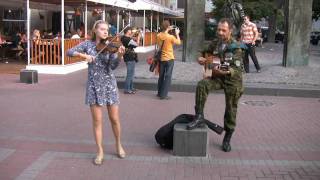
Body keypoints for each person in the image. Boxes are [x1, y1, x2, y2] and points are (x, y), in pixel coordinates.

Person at [66, 20, 126, 165]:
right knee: (97, 121)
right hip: (94, 85)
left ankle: (118, 144)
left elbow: (112, 66)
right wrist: (84, 56)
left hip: (109, 85)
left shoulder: (110, 46)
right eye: (103, 29)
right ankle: (100, 151)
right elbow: (69, 52)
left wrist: (118, 55)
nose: (106, 32)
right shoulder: (88, 45)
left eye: (107, 30)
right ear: (95, 31)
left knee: (114, 119)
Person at [186, 18, 245, 152]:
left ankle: (227, 138)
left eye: (223, 30)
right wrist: (200, 58)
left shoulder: (237, 47)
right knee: (202, 84)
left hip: (233, 81)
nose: (220, 32)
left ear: (230, 31)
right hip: (218, 77)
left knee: (230, 110)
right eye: (218, 29)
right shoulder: (216, 43)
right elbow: (201, 52)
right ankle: (199, 116)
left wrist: (219, 68)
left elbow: (236, 69)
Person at [156, 20, 181, 100]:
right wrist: (177, 34)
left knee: (161, 76)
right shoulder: (170, 37)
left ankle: (159, 93)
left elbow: (159, 44)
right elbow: (178, 42)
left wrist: (167, 29)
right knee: (168, 77)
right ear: (167, 27)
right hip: (170, 58)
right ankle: (164, 95)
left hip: (162, 58)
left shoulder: (158, 35)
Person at [121, 27, 140, 94]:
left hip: (127, 56)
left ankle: (131, 88)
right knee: (130, 74)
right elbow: (137, 44)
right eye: (130, 31)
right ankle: (127, 89)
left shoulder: (123, 37)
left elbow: (129, 38)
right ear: (127, 31)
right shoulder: (127, 39)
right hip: (130, 57)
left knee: (131, 74)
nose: (131, 31)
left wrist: (134, 34)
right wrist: (138, 37)